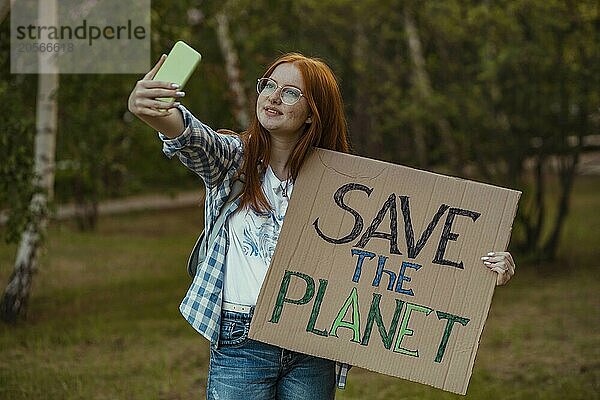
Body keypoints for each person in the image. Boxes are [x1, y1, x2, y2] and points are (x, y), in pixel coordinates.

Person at [128, 52, 516, 400]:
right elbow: (190, 136)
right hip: (241, 337)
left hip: (311, 338)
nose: (273, 97)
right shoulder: (233, 160)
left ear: (313, 112)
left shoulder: (346, 185)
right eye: (268, 86)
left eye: (291, 93)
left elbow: (406, 251)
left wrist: (482, 270)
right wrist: (152, 109)